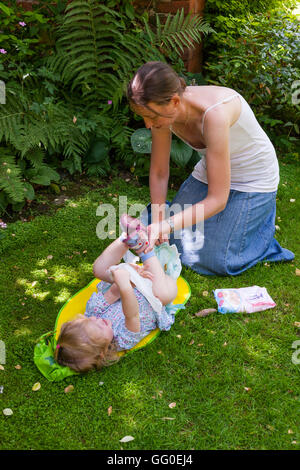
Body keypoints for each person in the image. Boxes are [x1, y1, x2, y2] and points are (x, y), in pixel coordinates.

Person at [127, 61, 294, 276]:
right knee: (172, 241)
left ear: (175, 101)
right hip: (212, 172)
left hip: (253, 181)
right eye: (144, 117)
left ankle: (260, 235)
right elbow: (159, 172)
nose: (148, 125)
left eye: (151, 117)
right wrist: (160, 220)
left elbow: (218, 199)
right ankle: (195, 222)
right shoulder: (163, 114)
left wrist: (166, 225)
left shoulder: (214, 113)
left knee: (211, 258)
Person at [55, 215, 178, 373]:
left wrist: (131, 275)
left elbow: (113, 293)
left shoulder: (93, 312)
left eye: (90, 320)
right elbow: (132, 314)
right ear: (102, 351)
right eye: (98, 328)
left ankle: (127, 238)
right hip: (152, 297)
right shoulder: (123, 340)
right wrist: (127, 285)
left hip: (130, 284)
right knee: (164, 295)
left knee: (98, 269)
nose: (98, 320)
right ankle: (145, 250)